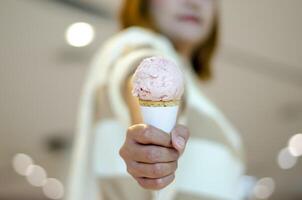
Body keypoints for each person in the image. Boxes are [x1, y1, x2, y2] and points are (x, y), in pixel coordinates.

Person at [66, 0, 246, 199]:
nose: (194, 3)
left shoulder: (200, 95)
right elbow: (139, 69)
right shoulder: (132, 42)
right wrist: (152, 138)